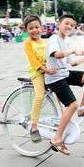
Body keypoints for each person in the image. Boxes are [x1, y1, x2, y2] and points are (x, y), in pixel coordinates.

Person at [45, 14, 84, 155]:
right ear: (58, 24)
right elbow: (56, 54)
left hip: (64, 73)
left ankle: (83, 109)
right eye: (66, 23)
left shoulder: (65, 42)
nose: (69, 26)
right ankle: (57, 138)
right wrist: (74, 50)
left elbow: (72, 62)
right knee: (72, 104)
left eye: (72, 25)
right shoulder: (54, 39)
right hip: (55, 77)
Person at [23, 15, 58, 143]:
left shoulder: (46, 42)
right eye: (31, 28)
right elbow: (34, 62)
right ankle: (34, 127)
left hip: (48, 72)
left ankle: (60, 121)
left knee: (60, 93)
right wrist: (46, 70)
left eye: (37, 27)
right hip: (37, 73)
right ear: (26, 30)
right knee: (39, 96)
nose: (34, 30)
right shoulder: (28, 44)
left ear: (42, 28)